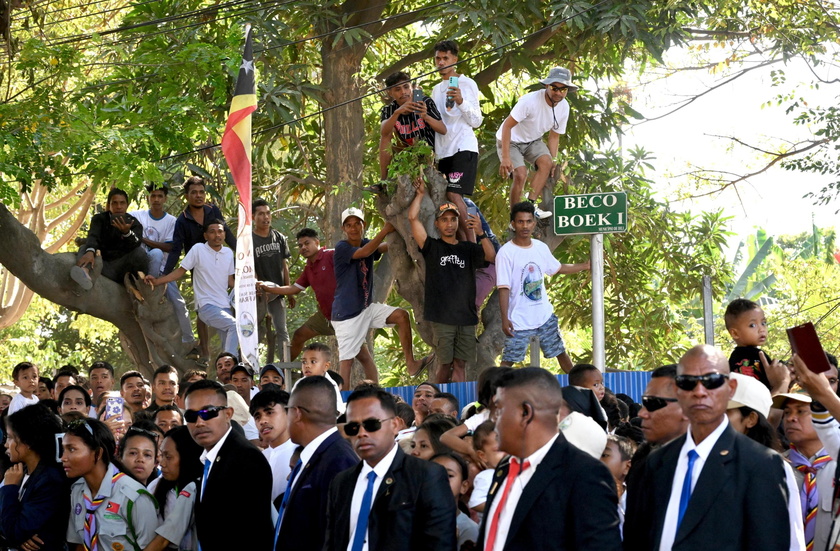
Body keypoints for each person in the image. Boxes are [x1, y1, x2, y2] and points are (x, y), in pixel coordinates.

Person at [623, 345, 791, 551]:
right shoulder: (656, 462)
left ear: (730, 388)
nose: (700, 392)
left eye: (712, 381)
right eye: (687, 383)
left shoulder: (759, 464)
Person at [477, 367, 621, 550]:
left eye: (498, 409)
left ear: (525, 413)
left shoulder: (585, 475)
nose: (491, 419)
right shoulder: (504, 468)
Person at [324, 386, 456, 551]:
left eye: (371, 424)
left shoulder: (426, 476)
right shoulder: (341, 482)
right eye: (353, 427)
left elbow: (440, 544)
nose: (361, 433)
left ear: (395, 424)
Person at [332, 207, 431, 387]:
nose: (353, 228)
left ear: (364, 225)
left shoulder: (368, 244)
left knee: (401, 316)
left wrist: (408, 236)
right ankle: (343, 404)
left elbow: (386, 247)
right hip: (347, 315)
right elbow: (364, 253)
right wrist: (385, 230)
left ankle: (411, 365)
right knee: (347, 363)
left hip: (366, 308)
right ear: (343, 229)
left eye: (357, 224)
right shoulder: (342, 248)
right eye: (349, 225)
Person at [408, 181, 495, 383]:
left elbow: (490, 256)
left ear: (458, 223)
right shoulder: (432, 247)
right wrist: (420, 194)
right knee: (444, 364)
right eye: (444, 220)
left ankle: (457, 405)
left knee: (461, 365)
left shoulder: (468, 249)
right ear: (437, 224)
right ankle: (438, 403)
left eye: (453, 220)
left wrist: (481, 232)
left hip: (466, 317)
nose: (449, 224)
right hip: (442, 316)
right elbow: (412, 218)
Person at [257, 228, 377, 368]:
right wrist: (267, 287)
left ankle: (375, 388)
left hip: (346, 317)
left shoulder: (332, 255)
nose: (303, 248)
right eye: (300, 245)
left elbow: (360, 255)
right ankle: (280, 371)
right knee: (299, 335)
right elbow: (294, 289)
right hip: (325, 317)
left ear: (317, 242)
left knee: (363, 356)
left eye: (307, 243)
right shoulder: (309, 268)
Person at [495, 202, 589, 373]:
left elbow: (558, 268)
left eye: (529, 221)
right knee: (508, 360)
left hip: (543, 315)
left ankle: (582, 389)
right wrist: (504, 318)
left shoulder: (540, 248)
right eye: (520, 221)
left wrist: (584, 266)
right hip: (518, 319)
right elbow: (503, 288)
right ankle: (492, 394)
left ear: (534, 223)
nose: (525, 226)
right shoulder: (505, 253)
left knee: (560, 353)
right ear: (513, 224)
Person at [184, 379, 273, 550]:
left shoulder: (247, 459)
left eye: (208, 412)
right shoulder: (208, 457)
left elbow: (252, 534)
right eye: (191, 416)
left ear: (228, 414)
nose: (199, 422)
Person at [275, 376, 358, 551]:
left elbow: (338, 536)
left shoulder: (338, 461)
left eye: (287, 410)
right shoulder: (314, 455)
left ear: (297, 413)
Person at [726, 374, 805, 551]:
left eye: (725, 412)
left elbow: (791, 538)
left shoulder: (773, 467)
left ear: (751, 419)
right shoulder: (694, 458)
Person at [162, 176, 236, 362]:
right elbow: (176, 248)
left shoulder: (213, 210)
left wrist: (242, 255)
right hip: (198, 263)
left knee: (225, 304)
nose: (198, 195)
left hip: (221, 260)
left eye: (201, 192)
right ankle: (205, 351)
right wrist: (164, 275)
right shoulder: (182, 220)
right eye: (194, 192)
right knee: (202, 306)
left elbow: (227, 235)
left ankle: (231, 356)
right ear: (187, 196)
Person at [63, 418, 159, 550]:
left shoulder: (134, 497)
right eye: (64, 449)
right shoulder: (77, 490)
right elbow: (79, 544)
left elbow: (152, 547)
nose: (64, 457)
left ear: (98, 453)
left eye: (72, 449)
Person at [146, 219, 238, 355]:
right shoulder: (198, 249)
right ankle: (232, 362)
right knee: (235, 326)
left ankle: (230, 370)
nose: (217, 235)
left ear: (224, 234)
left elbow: (230, 281)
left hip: (225, 306)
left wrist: (250, 286)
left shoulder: (229, 253)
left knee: (228, 345)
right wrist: (158, 281)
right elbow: (180, 271)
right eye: (212, 232)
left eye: (220, 231)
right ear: (205, 236)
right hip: (207, 305)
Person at [131, 183, 200, 360]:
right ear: (148, 197)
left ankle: (189, 341)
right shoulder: (137, 216)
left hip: (162, 272)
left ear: (165, 199)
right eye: (153, 196)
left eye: (160, 196)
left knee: (179, 303)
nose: (156, 200)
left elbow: (170, 247)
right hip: (136, 269)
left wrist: (144, 239)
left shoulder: (171, 221)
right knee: (151, 253)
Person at [496, 67, 577, 217]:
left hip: (532, 140)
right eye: (555, 88)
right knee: (520, 174)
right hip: (510, 140)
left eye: (563, 89)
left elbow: (554, 136)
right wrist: (506, 157)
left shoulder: (564, 107)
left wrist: (553, 161)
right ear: (547, 86)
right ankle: (516, 216)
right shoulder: (529, 101)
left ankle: (530, 206)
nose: (558, 93)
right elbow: (507, 127)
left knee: (547, 163)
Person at [430, 40, 483, 242]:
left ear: (455, 60)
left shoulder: (467, 83)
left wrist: (461, 101)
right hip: (443, 151)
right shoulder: (436, 90)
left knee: (454, 194)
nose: (441, 62)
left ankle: (473, 242)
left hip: (463, 146)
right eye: (438, 58)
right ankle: (459, 243)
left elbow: (476, 121)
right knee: (445, 201)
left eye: (445, 58)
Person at [0, 404, 69, 551]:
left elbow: (14, 532)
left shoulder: (50, 481)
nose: (6, 444)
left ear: (29, 442)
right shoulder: (18, 471)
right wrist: (17, 536)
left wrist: (9, 488)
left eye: (11, 437)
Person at [71, 187, 148, 290]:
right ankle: (84, 272)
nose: (119, 206)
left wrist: (126, 232)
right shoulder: (99, 219)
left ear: (127, 205)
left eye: (122, 203)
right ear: (109, 205)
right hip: (102, 264)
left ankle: (138, 287)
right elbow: (93, 236)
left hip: (121, 268)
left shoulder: (133, 223)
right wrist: (90, 251)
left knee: (140, 252)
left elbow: (136, 242)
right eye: (114, 203)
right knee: (85, 247)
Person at [377, 71, 446, 183]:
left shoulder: (424, 101)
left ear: (412, 87)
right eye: (397, 89)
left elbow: (443, 130)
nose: (403, 92)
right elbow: (384, 132)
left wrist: (425, 116)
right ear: (390, 93)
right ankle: (383, 181)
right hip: (406, 156)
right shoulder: (389, 109)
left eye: (406, 87)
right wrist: (397, 113)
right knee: (387, 132)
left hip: (429, 154)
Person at [146, 425, 204, 551]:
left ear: (186, 457)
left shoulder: (198, 488)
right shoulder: (156, 486)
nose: (162, 463)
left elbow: (163, 539)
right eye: (162, 455)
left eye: (168, 457)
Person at [252, 199, 293, 358]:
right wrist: (258, 288)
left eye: (268, 213)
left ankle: (285, 366)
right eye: (261, 214)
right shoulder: (249, 239)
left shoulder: (279, 238)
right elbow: (249, 268)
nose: (265, 217)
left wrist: (288, 290)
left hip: (277, 292)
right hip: (258, 295)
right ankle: (250, 366)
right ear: (254, 216)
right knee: (255, 330)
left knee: (281, 330)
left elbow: (284, 265)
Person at [250, 385, 295, 505]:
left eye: (269, 412)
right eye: (257, 417)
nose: (262, 421)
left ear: (289, 413)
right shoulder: (259, 459)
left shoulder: (300, 456)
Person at [725, 298, 783, 390]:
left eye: (763, 323)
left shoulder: (734, 358)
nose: (762, 329)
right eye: (752, 325)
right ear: (735, 333)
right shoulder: (758, 356)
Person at [431, 452, 479, 551]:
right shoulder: (410, 519)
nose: (440, 479)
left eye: (449, 475)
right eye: (433, 473)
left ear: (464, 486)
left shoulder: (468, 529)